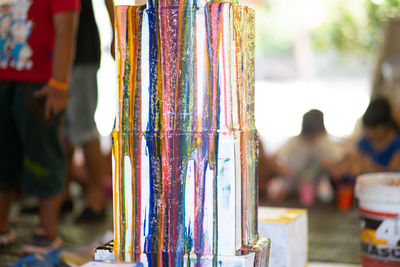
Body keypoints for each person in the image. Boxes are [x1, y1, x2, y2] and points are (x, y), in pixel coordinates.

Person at [0, 0, 79, 253]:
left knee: (43, 155)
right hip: (4, 81)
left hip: (40, 86)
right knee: (3, 156)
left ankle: (47, 230)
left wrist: (59, 84)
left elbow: (66, 31)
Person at [64, 0, 114, 223]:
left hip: (81, 50)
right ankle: (62, 194)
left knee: (83, 125)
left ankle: (95, 197)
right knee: (63, 127)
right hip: (57, 51)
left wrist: (115, 31)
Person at [268, 109, 345, 205]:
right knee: (275, 191)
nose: (311, 139)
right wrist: (282, 169)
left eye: (314, 135)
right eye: (309, 136)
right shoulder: (294, 142)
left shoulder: (325, 143)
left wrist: (329, 165)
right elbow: (273, 159)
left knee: (325, 194)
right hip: (293, 181)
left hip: (318, 183)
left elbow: (340, 164)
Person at [348, 98, 400, 173]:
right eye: (368, 130)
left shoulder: (397, 144)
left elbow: (392, 174)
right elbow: (355, 163)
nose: (371, 134)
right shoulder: (364, 141)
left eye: (375, 130)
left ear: (386, 124)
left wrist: (371, 166)